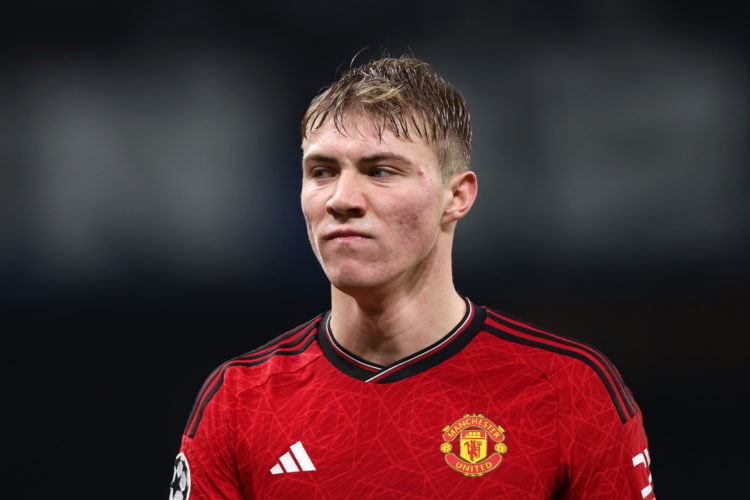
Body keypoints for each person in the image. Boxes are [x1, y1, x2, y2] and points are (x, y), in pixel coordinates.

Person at [169, 56, 655, 499]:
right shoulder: (240, 403)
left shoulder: (567, 391)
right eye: (321, 171)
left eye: (380, 171)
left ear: (457, 197)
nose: (342, 199)